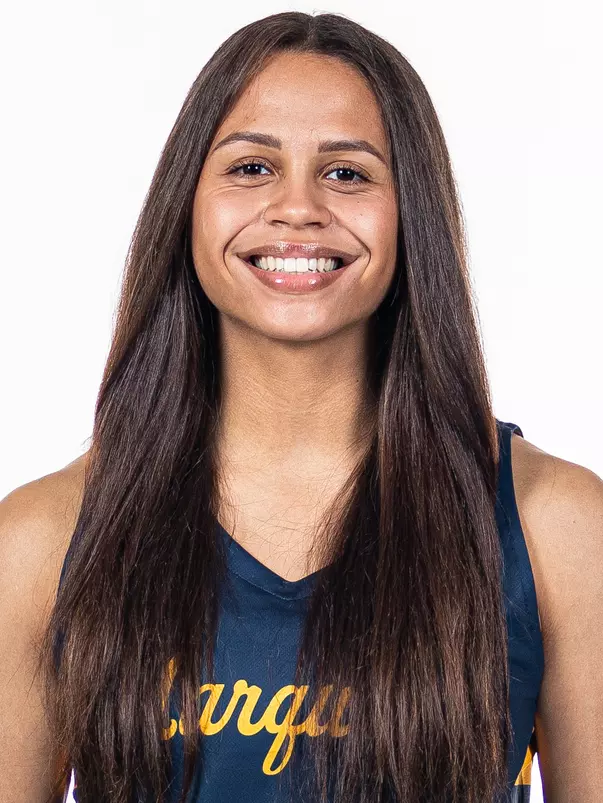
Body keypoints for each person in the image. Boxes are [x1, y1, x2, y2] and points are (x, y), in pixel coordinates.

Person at [1, 10, 601, 803]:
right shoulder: (43, 540)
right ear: (188, 205)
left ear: (407, 213)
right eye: (250, 167)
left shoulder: (553, 528)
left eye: (347, 173)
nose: (297, 207)